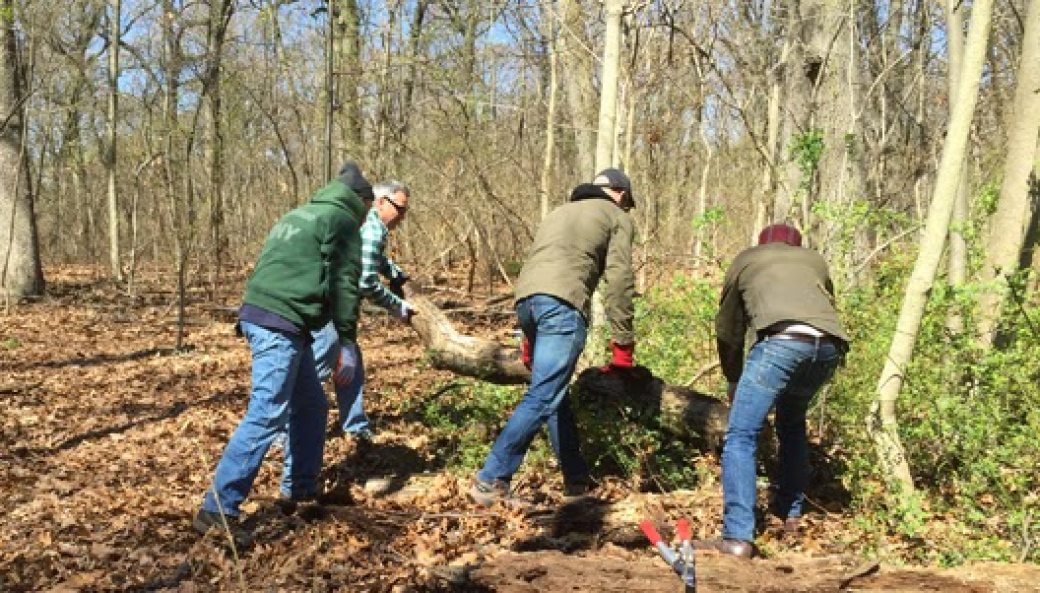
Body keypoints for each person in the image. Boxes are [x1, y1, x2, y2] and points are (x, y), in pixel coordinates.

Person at [193, 161, 374, 544]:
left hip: (270, 316)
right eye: (368, 210)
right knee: (267, 411)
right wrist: (346, 341)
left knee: (311, 405)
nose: (367, 219)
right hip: (280, 322)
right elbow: (344, 285)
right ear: (360, 202)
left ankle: (300, 491)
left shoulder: (300, 213)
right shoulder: (341, 221)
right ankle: (218, 509)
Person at [468, 168, 638, 508]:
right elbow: (619, 281)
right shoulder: (615, 215)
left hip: (527, 303)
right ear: (619, 193)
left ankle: (576, 480)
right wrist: (623, 348)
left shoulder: (558, 213)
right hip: (563, 305)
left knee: (555, 395)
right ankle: (491, 480)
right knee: (544, 395)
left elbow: (539, 267)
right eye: (627, 202)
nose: (627, 208)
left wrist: (530, 338)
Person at [695, 223, 849, 558]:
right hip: (828, 349)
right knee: (792, 424)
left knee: (741, 435)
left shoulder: (748, 259)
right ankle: (790, 515)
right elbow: (825, 308)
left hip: (782, 343)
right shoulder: (815, 261)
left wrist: (733, 378)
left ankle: (737, 536)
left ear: (762, 243)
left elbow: (727, 328)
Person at [282, 180, 413, 487]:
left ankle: (355, 424)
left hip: (336, 307)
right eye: (399, 209)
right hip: (328, 308)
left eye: (406, 210)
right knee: (317, 367)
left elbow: (374, 260)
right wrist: (398, 307)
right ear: (381, 203)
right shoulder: (373, 226)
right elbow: (366, 281)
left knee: (352, 366)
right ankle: (283, 430)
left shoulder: (367, 226)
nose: (402, 217)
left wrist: (396, 274)